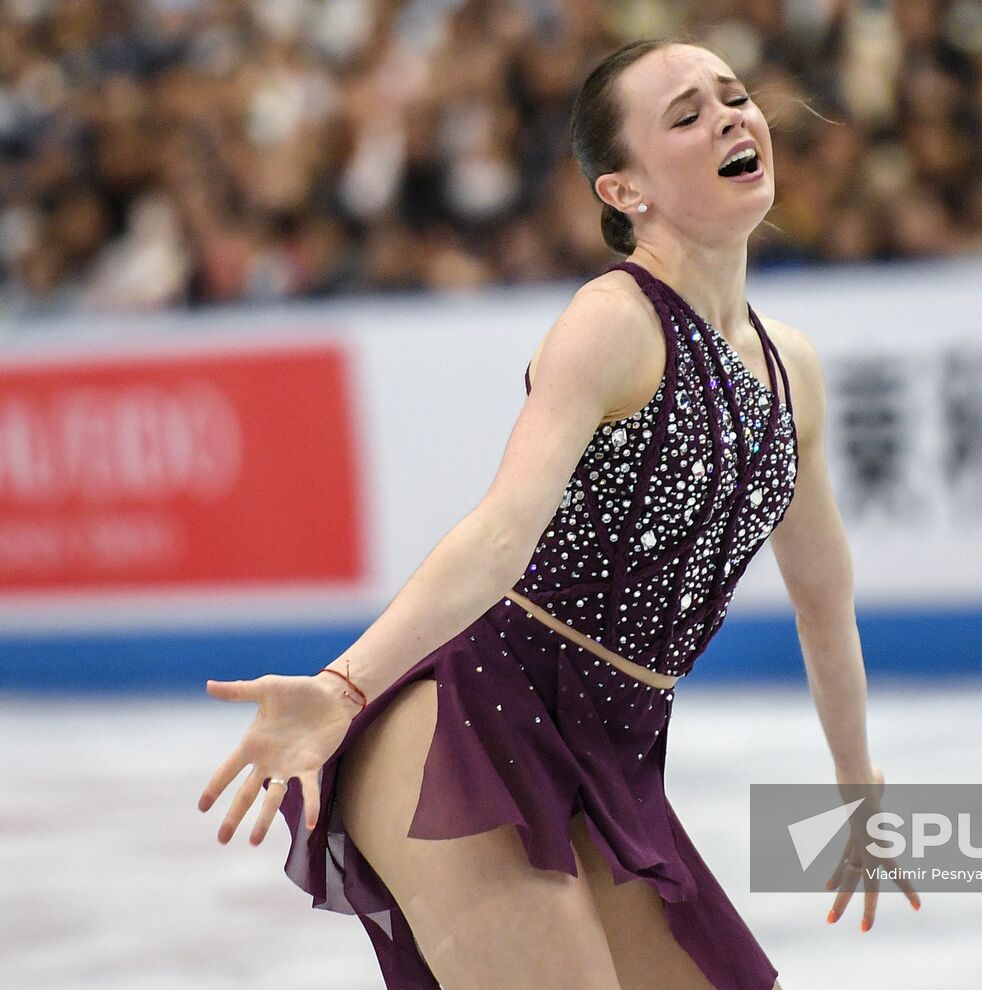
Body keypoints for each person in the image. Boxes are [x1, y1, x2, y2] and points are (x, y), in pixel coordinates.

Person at [197, 38, 918, 990]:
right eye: (686, 115)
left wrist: (857, 780)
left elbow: (824, 598)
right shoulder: (614, 322)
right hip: (470, 724)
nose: (731, 119)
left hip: (613, 748)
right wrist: (344, 688)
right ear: (624, 192)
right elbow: (500, 534)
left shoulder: (792, 371)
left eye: (733, 97)